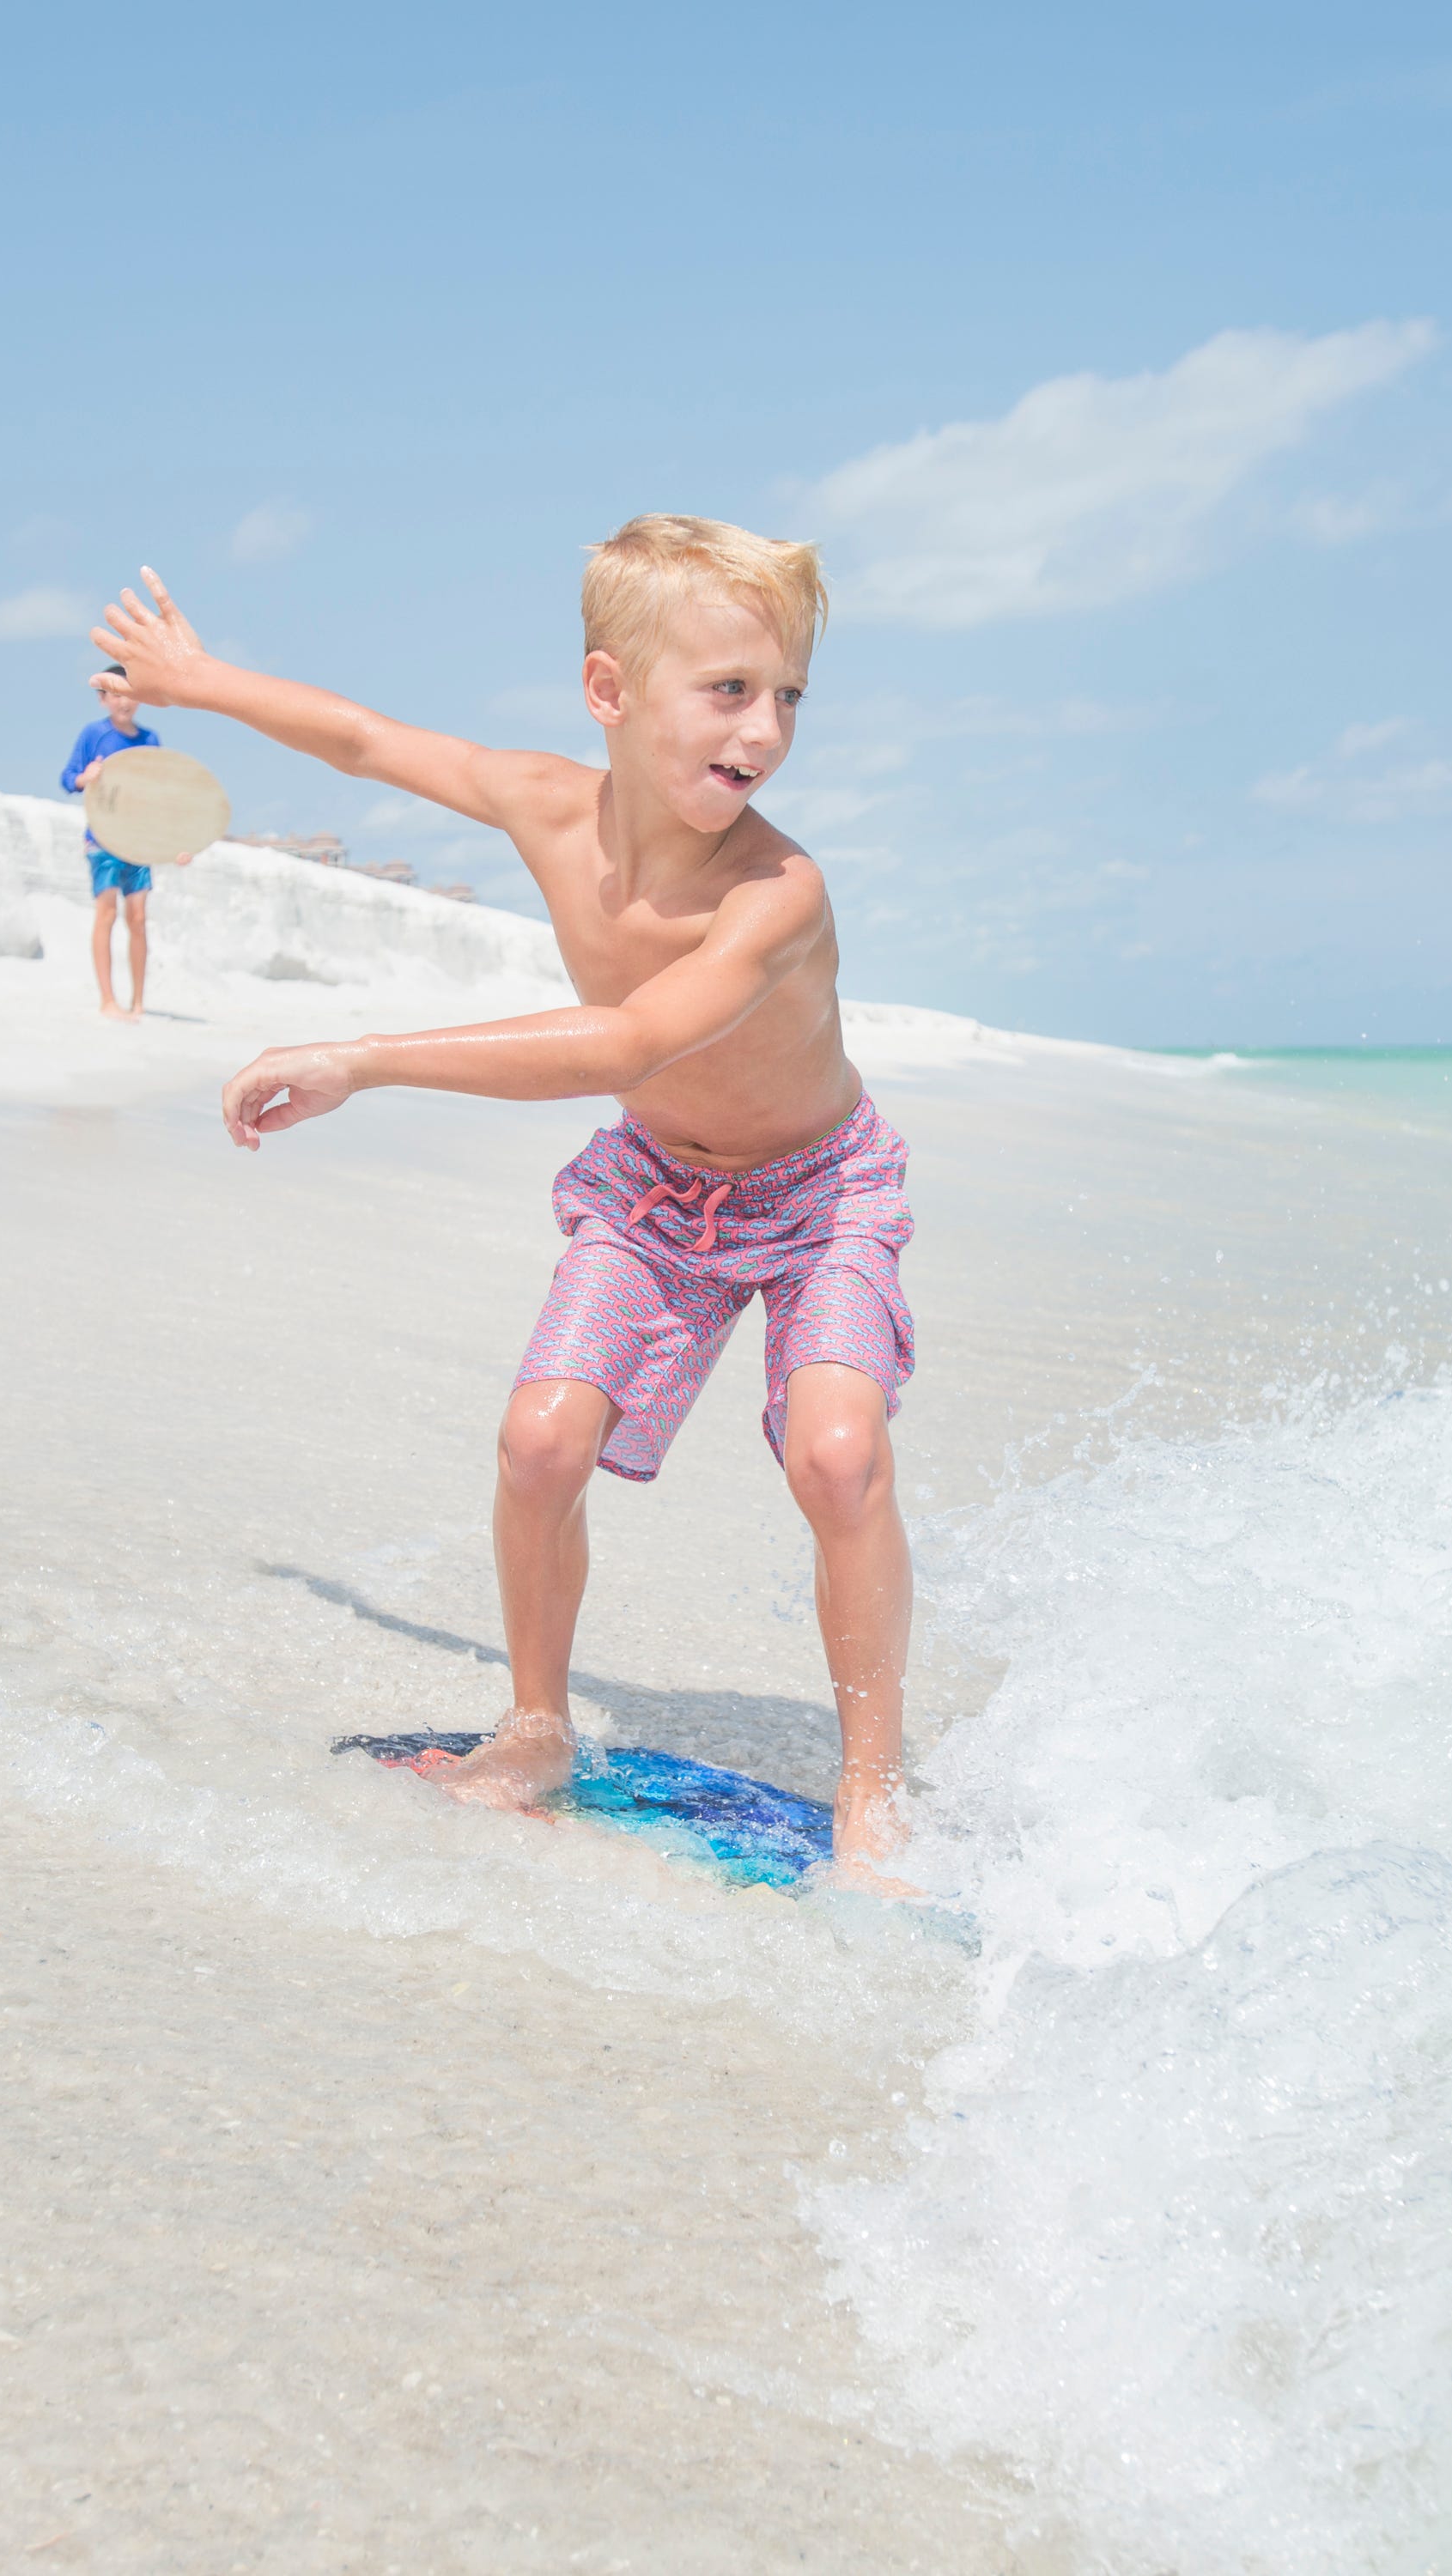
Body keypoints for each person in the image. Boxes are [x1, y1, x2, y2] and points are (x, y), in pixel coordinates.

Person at [90, 521, 917, 1890]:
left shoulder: (779, 892)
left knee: (838, 1458)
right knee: (540, 1444)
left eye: (788, 697)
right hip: (658, 1188)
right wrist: (196, 682)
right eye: (728, 691)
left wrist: (359, 1058)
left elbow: (619, 1044)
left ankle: (874, 1792)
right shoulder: (542, 801)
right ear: (611, 692)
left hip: (820, 1192)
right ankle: (535, 1727)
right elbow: (365, 742)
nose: (765, 729)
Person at [60, 663, 191, 1020]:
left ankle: (137, 1002)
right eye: (116, 693)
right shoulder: (93, 736)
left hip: (139, 841)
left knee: (137, 918)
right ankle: (107, 1000)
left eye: (130, 694)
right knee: (107, 913)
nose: (124, 701)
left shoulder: (150, 740)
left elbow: (161, 796)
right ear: (102, 698)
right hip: (102, 839)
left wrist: (176, 841)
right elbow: (68, 777)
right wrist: (86, 777)